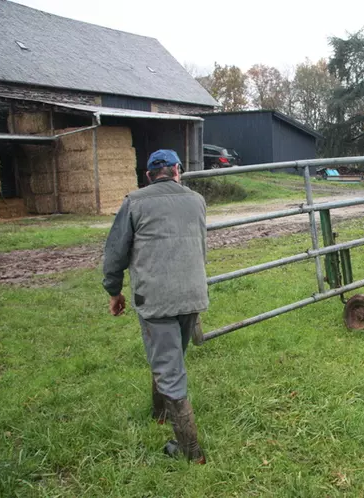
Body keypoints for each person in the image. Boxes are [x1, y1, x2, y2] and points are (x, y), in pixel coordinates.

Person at [102, 149, 208, 464]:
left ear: (149, 175)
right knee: (170, 359)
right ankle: (160, 413)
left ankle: (190, 451)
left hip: (156, 299)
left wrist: (113, 290)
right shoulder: (197, 200)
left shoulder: (134, 202)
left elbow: (115, 251)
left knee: (168, 367)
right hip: (191, 295)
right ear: (177, 170)